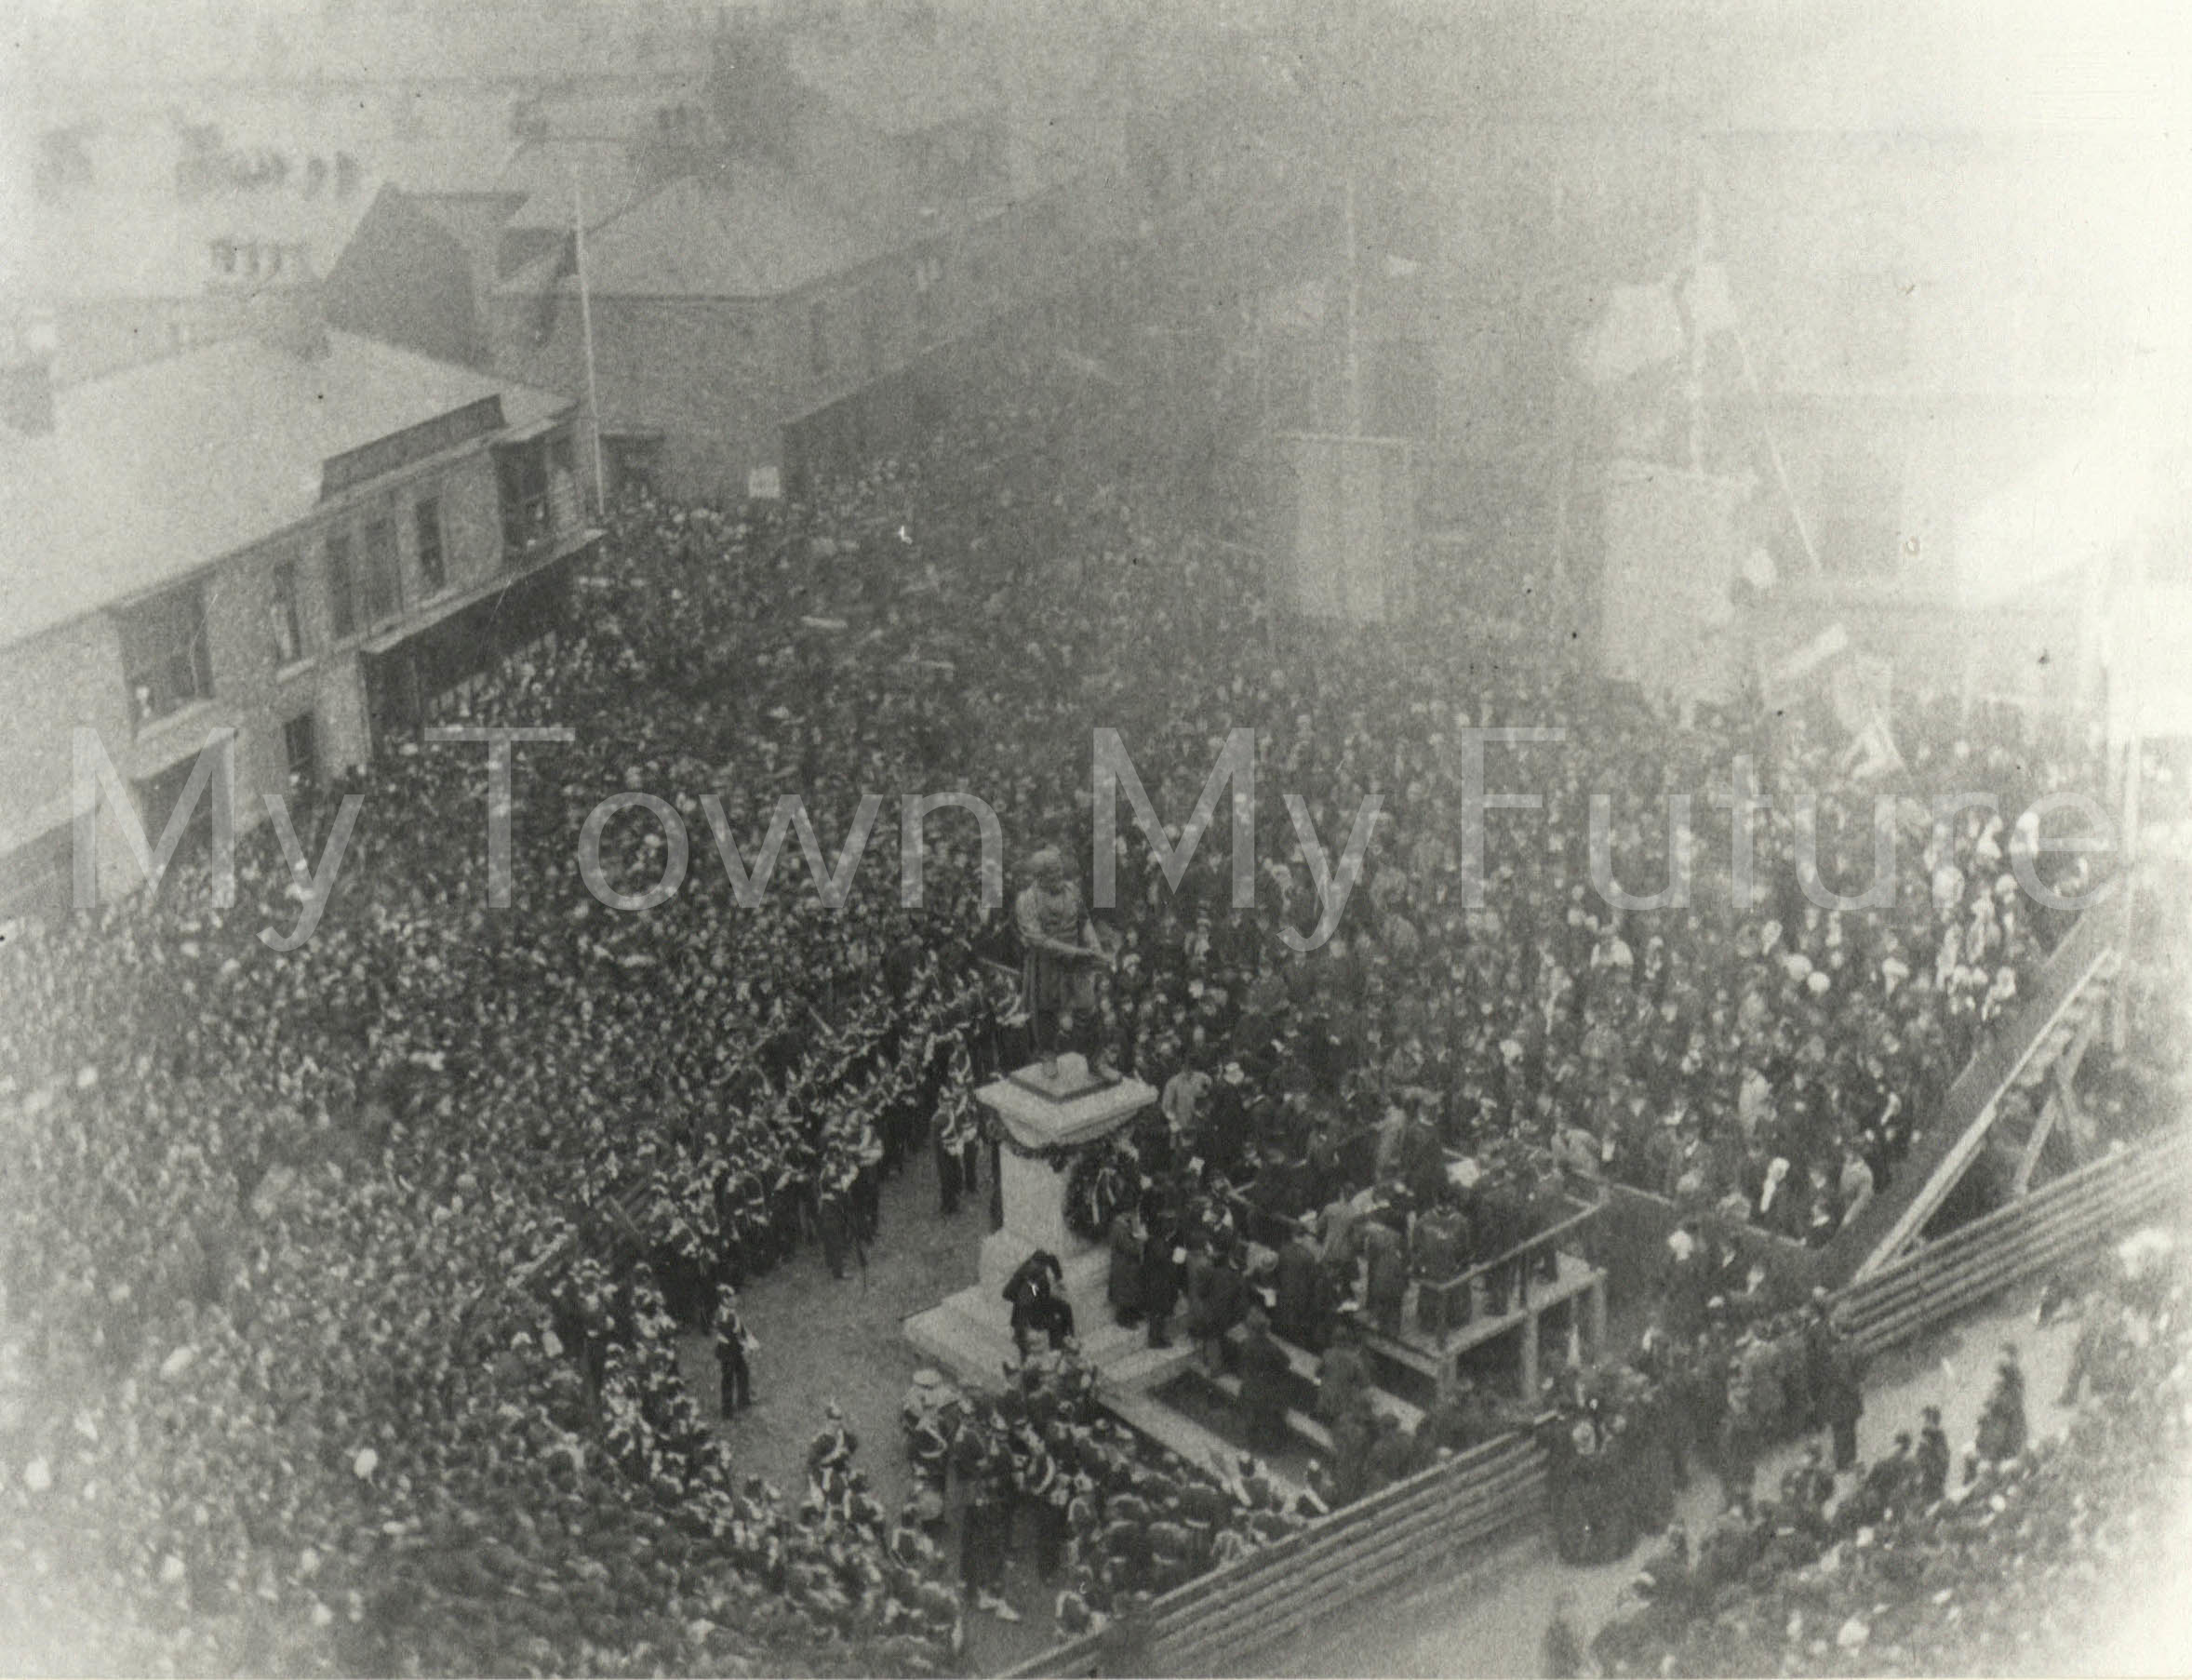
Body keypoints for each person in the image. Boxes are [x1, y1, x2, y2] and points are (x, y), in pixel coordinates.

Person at [1016, 847, 1103, 1073]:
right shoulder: (1027, 900)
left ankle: (1095, 1060)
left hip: (1076, 961)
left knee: (1088, 1008)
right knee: (1047, 1011)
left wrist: (1094, 944)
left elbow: (1084, 920)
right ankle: (1048, 1055)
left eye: (1059, 871)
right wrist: (1076, 952)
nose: (1058, 876)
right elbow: (1039, 940)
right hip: (1047, 964)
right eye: (1052, 874)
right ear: (1040, 877)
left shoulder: (1072, 890)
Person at [1236, 1306, 1292, 1452]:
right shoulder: (1270, 1348)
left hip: (1250, 1388)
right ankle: (1271, 1444)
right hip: (1267, 1390)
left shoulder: (1246, 1344)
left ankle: (1251, 1441)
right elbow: (1286, 1362)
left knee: (1251, 1416)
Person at [713, 1283, 754, 1416]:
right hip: (727, 1351)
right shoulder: (724, 1316)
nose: (734, 1299)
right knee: (728, 1379)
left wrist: (746, 1337)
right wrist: (744, 1345)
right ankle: (727, 1410)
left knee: (743, 1372)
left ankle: (743, 1400)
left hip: (733, 1348)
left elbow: (739, 1327)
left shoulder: (730, 1312)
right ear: (724, 1300)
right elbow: (730, 1335)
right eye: (731, 1297)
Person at [1915, 1403, 1951, 1504]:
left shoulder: (1932, 1434)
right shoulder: (1938, 1436)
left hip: (1931, 1477)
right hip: (1934, 1476)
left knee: (1930, 1498)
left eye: (1927, 1418)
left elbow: (1923, 1457)